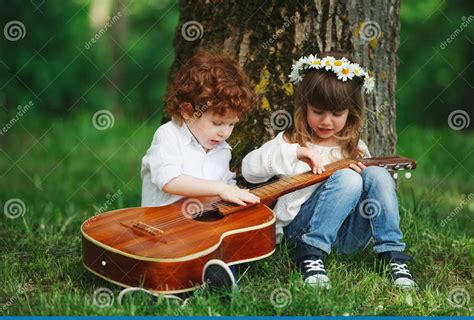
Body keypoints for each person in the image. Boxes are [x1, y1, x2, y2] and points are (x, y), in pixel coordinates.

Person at [242, 51, 416, 290]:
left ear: (351, 113)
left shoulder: (355, 148)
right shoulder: (293, 141)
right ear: (304, 107)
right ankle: (311, 255)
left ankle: (392, 255)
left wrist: (364, 176)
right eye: (318, 111)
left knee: (377, 174)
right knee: (347, 178)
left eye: (337, 114)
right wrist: (293, 153)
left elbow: (372, 190)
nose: (326, 121)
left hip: (345, 239)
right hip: (300, 233)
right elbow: (249, 170)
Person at [141, 49, 260, 292]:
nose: (224, 133)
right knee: (168, 261)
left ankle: (212, 286)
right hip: (160, 231)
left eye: (231, 125)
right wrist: (221, 189)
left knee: (226, 248)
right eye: (217, 123)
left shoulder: (222, 150)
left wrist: (237, 195)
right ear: (187, 110)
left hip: (198, 232)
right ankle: (166, 290)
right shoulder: (168, 135)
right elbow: (169, 180)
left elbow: (224, 191)